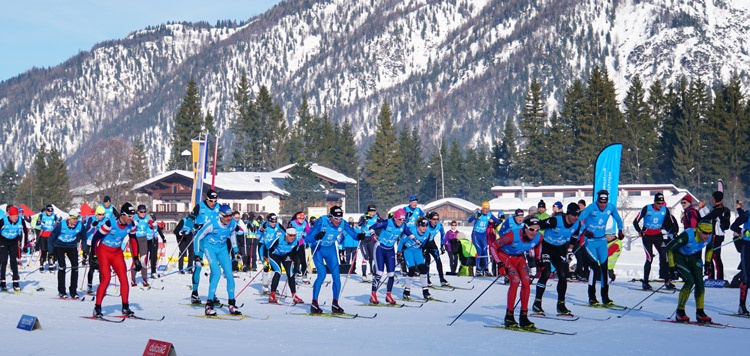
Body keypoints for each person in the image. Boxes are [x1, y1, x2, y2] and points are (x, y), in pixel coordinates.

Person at [305, 206, 361, 314]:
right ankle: (314, 303)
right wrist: (316, 237)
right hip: (318, 249)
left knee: (336, 276)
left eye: (340, 219)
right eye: (336, 219)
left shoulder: (343, 223)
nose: (338, 221)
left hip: (330, 250)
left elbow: (354, 234)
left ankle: (335, 304)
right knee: (322, 274)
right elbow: (307, 238)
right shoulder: (322, 221)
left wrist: (359, 236)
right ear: (330, 216)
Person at [489, 217, 542, 328]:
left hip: (519, 258)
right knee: (515, 280)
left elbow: (538, 245)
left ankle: (524, 316)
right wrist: (499, 263)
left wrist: (538, 259)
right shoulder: (513, 235)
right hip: (505, 257)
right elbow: (493, 246)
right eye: (532, 229)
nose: (534, 233)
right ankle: (509, 316)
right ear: (525, 228)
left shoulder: (538, 237)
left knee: (526, 282)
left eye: (537, 230)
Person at [90, 203, 142, 318]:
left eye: (133, 217)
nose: (131, 219)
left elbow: (133, 241)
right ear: (122, 215)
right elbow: (95, 238)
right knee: (106, 279)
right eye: (129, 216)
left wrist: (136, 258)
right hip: (103, 251)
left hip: (117, 253)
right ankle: (97, 307)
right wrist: (93, 257)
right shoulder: (110, 223)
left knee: (124, 279)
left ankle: (125, 307)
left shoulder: (131, 225)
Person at [193, 204, 242, 316]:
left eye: (230, 216)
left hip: (222, 249)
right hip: (210, 248)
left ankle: (232, 304)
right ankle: (209, 305)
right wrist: (197, 256)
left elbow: (233, 234)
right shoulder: (212, 224)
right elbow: (198, 237)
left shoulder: (232, 223)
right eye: (226, 216)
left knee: (229, 274)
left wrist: (236, 250)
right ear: (220, 215)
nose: (229, 218)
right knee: (216, 273)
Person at [533, 203, 581, 315]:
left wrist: (569, 251)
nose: (575, 217)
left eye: (577, 215)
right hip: (546, 247)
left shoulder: (577, 224)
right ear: (568, 214)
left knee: (563, 275)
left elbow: (574, 237)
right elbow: (538, 226)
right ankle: (537, 303)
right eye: (573, 215)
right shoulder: (556, 220)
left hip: (560, 249)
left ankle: (561, 305)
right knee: (546, 273)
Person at [577, 190, 624, 306]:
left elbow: (618, 219)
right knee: (594, 268)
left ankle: (605, 297)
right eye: (600, 202)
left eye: (604, 202)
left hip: (602, 241)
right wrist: (585, 231)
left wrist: (621, 230)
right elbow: (578, 221)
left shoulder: (610, 207)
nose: (602, 205)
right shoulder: (591, 207)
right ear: (597, 200)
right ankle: (592, 297)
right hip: (590, 242)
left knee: (604, 269)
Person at [666, 220, 714, 322]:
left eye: (709, 233)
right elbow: (670, 249)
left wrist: (707, 264)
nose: (707, 235)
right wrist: (672, 267)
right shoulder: (688, 235)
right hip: (678, 257)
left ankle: (700, 312)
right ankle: (680, 312)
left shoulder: (709, 237)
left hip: (692, 257)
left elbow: (710, 249)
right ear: (698, 230)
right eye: (704, 233)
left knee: (700, 283)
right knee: (690, 280)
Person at [366, 208, 413, 303]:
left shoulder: (403, 226)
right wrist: (372, 235)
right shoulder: (387, 223)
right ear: (395, 218)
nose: (401, 221)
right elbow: (371, 227)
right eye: (400, 219)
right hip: (380, 248)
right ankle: (373, 295)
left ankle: (388, 295)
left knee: (391, 274)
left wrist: (417, 241)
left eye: (403, 220)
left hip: (390, 250)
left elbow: (410, 234)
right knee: (379, 272)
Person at [633, 193, 677, 290]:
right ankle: (645, 282)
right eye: (658, 203)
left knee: (664, 257)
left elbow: (671, 222)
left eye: (661, 203)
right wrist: (639, 231)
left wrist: (673, 231)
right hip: (647, 236)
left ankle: (667, 281)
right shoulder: (647, 208)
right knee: (649, 258)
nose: (660, 205)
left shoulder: (665, 210)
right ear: (654, 202)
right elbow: (635, 221)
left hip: (658, 236)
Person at [189, 189, 220, 304]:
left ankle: (212, 294)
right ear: (206, 199)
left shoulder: (219, 207)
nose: (213, 203)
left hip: (213, 241)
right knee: (198, 266)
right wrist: (194, 225)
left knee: (214, 269)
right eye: (211, 201)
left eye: (215, 201)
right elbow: (190, 219)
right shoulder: (199, 206)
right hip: (200, 240)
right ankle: (195, 293)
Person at [50, 208, 86, 298]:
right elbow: (51, 238)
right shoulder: (61, 225)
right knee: (62, 267)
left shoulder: (80, 225)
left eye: (77, 219)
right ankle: (62, 291)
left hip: (71, 246)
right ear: (69, 218)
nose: (75, 221)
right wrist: (51, 252)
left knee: (75, 267)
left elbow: (84, 237)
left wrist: (85, 251)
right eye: (73, 219)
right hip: (59, 246)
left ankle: (73, 291)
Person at [267, 228, 305, 304]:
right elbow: (268, 247)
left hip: (286, 255)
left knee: (291, 274)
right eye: (290, 235)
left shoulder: (296, 241)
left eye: (294, 235)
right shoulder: (279, 239)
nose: (292, 237)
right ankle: (272, 295)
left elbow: (295, 253)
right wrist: (265, 257)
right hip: (274, 255)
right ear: (286, 235)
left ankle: (294, 296)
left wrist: (293, 260)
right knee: (278, 271)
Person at [399, 217, 432, 302]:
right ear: (419, 225)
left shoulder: (427, 233)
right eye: (423, 225)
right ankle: (406, 291)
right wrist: (398, 253)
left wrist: (424, 249)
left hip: (417, 251)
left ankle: (425, 291)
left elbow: (425, 243)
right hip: (408, 251)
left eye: (426, 225)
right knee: (412, 270)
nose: (425, 227)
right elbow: (401, 242)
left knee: (423, 269)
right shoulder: (412, 231)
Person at [467, 201, 502, 276]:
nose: (486, 210)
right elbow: (469, 220)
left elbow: (497, 221)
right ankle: (478, 269)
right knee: (479, 251)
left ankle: (486, 269)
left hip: (483, 235)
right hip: (476, 234)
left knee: (485, 251)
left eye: (487, 209)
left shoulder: (489, 214)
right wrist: (475, 216)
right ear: (482, 208)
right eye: (485, 209)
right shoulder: (478, 213)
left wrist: (501, 219)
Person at [702, 191, 731, 281]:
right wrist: (703, 207)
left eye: (712, 198)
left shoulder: (718, 209)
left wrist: (700, 209)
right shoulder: (722, 209)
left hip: (716, 235)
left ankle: (716, 278)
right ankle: (717, 277)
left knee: (713, 256)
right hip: (719, 235)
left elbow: (707, 217)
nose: (711, 199)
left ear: (714, 199)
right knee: (715, 256)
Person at [730, 203, 750, 315]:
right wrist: (742, 231)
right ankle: (742, 307)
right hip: (747, 247)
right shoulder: (747, 215)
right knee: (747, 278)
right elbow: (733, 226)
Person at [259, 213, 285, 294]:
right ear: (268, 221)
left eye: (275, 221)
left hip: (273, 248)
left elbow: (285, 233)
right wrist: (261, 230)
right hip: (264, 248)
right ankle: (265, 287)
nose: (274, 223)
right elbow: (257, 236)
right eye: (272, 222)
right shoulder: (264, 225)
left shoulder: (278, 225)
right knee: (266, 267)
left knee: (275, 268)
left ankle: (274, 286)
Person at [0, 206, 25, 291]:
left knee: (14, 261)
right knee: (3, 261)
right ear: (9, 215)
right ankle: (2, 282)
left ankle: (15, 281)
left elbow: (25, 232)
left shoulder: (21, 220)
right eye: (13, 216)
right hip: (3, 241)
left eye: (16, 216)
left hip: (14, 241)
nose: (15, 218)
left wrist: (24, 245)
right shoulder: (3, 220)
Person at [84, 206, 108, 293]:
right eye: (99, 214)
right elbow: (86, 230)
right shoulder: (91, 219)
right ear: (96, 214)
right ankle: (89, 285)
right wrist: (92, 225)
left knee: (102, 266)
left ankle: (102, 286)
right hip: (92, 244)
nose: (101, 216)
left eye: (103, 214)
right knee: (92, 266)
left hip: (101, 245)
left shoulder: (106, 220)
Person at [357, 204, 383, 281]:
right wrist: (365, 219)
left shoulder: (377, 217)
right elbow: (359, 224)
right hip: (364, 239)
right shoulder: (363, 216)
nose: (372, 213)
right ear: (368, 211)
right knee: (365, 257)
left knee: (373, 257)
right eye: (370, 211)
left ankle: (374, 274)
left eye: (373, 211)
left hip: (372, 239)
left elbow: (384, 223)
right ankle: (364, 275)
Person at [424, 211, 449, 286]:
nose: (435, 221)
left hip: (431, 243)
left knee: (438, 260)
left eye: (437, 219)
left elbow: (443, 234)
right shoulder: (425, 225)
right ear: (430, 219)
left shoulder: (439, 225)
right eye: (434, 219)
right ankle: (427, 279)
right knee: (427, 260)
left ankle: (442, 279)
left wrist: (442, 245)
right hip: (423, 244)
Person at [131, 204, 153, 287]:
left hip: (144, 239)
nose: (143, 213)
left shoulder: (147, 217)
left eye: (144, 212)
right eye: (141, 212)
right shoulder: (134, 217)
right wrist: (133, 224)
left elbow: (151, 223)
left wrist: (152, 225)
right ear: (137, 212)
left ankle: (144, 278)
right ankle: (133, 278)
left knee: (144, 259)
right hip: (135, 240)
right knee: (136, 259)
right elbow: (128, 225)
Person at [36, 204, 58, 273]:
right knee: (44, 250)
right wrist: (40, 223)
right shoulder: (42, 215)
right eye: (48, 210)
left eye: (51, 210)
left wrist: (57, 223)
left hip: (51, 236)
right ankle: (42, 264)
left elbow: (57, 223)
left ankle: (51, 264)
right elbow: (37, 224)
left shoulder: (54, 215)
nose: (50, 212)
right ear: (46, 210)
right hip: (43, 235)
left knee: (51, 251)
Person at [288, 211, 309, 280]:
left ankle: (304, 274)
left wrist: (306, 238)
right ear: (297, 218)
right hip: (293, 243)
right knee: (296, 259)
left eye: (303, 219)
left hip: (300, 243)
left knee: (303, 259)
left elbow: (308, 232)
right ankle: (295, 273)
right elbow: (288, 233)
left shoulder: (305, 223)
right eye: (300, 219)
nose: (302, 220)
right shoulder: (292, 223)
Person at [573, 200, 589, 281]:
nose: (580, 206)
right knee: (579, 257)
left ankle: (585, 273)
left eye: (581, 205)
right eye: (578, 205)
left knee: (585, 258)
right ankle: (579, 273)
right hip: (577, 239)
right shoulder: (577, 214)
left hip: (584, 239)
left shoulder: (586, 214)